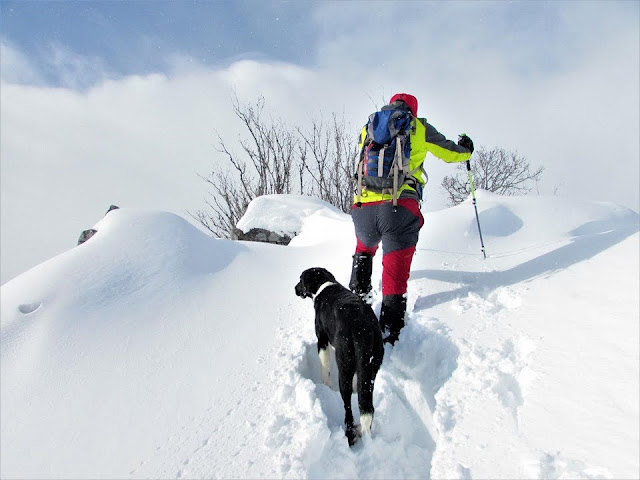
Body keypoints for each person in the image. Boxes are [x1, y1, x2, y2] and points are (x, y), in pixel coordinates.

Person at [349, 93, 474, 344]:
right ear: (413, 110)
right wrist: (466, 150)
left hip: (363, 207)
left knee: (364, 250)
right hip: (398, 208)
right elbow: (450, 153)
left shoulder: (369, 127)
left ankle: (357, 308)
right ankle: (389, 335)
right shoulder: (418, 127)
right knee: (394, 274)